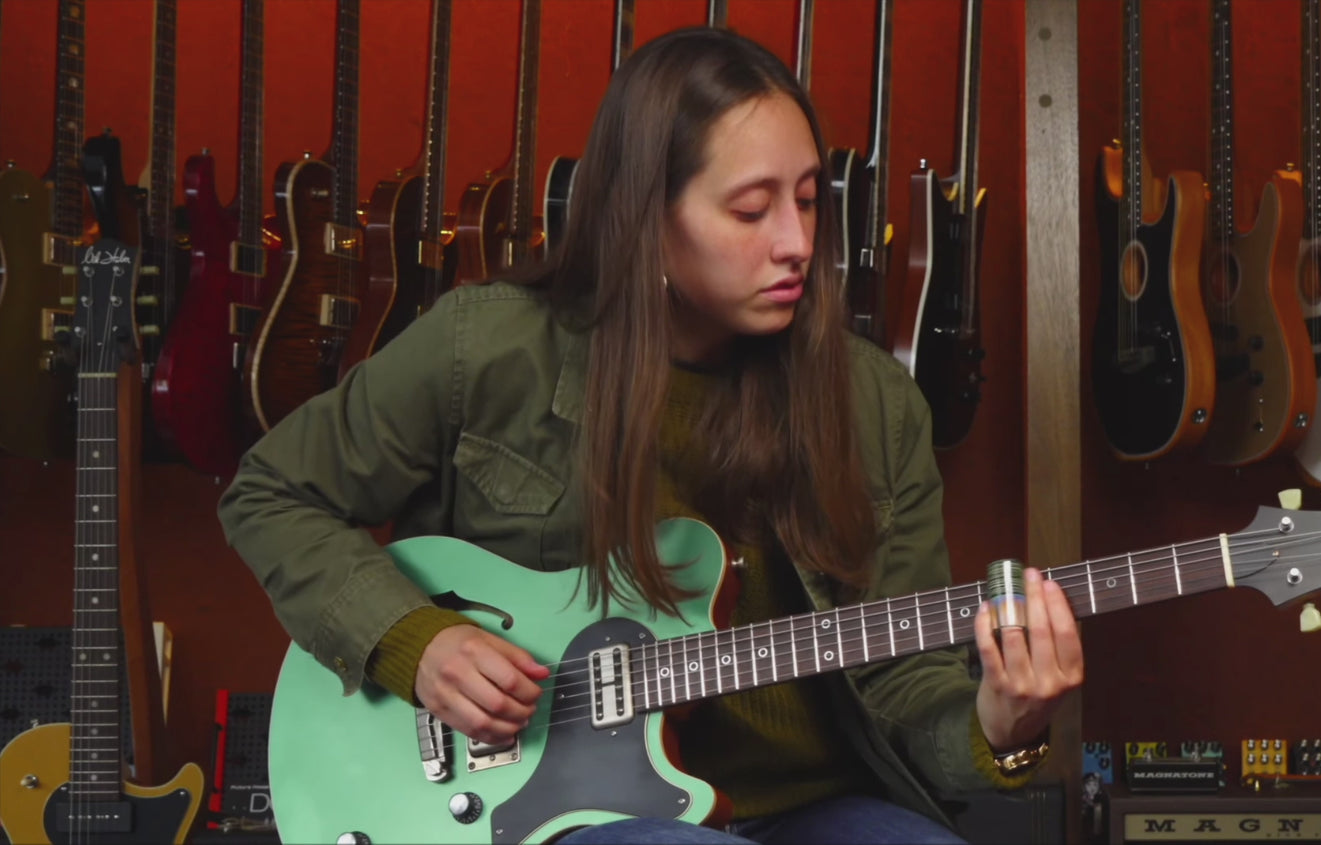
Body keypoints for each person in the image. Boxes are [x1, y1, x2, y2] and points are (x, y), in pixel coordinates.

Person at [218, 25, 1084, 845]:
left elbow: (901, 680)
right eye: (752, 210)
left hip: (810, 806)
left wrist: (999, 724)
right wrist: (418, 642)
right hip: (557, 811)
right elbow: (270, 493)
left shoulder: (874, 405)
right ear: (648, 221)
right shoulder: (484, 350)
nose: (797, 243)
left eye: (811, 201)